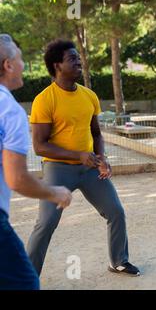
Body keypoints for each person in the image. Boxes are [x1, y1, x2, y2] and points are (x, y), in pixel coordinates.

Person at [26, 39, 140, 277]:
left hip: (89, 169)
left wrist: (101, 158)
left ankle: (118, 261)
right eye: (72, 59)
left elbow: (96, 133)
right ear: (57, 65)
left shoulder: (89, 96)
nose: (79, 62)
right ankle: (27, 275)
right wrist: (77, 155)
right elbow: (39, 146)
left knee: (115, 211)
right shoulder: (44, 100)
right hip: (58, 170)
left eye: (78, 58)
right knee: (46, 224)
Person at [0, 34, 72, 290]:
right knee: (26, 283)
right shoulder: (9, 110)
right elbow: (16, 178)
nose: (23, 65)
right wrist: (54, 192)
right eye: (20, 58)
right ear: (8, 65)